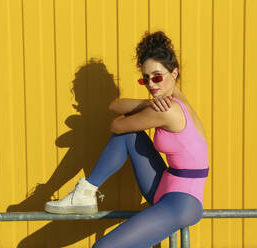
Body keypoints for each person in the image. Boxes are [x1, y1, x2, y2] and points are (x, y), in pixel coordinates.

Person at [44, 30, 209, 248]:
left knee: (102, 247)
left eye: (158, 77)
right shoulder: (175, 99)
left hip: (181, 202)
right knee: (131, 136)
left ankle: (85, 192)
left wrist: (152, 106)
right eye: (146, 79)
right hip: (163, 185)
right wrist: (148, 103)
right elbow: (114, 105)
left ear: (174, 73)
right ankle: (85, 193)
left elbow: (116, 124)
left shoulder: (169, 109)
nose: (152, 85)